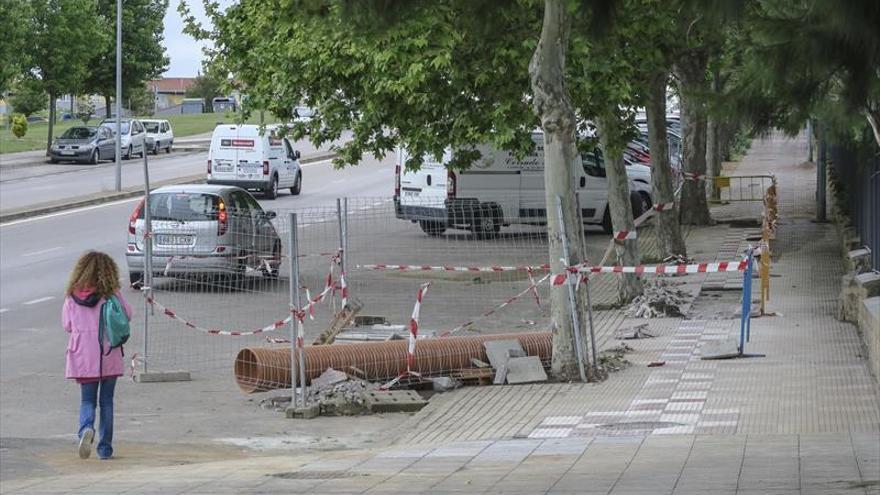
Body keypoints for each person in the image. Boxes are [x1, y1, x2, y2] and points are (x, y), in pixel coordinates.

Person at [62, 251, 132, 460]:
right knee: (107, 402)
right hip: (108, 352)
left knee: (87, 401)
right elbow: (127, 315)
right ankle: (105, 448)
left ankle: (85, 429)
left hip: (83, 354)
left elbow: (66, 324)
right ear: (109, 271)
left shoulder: (72, 296)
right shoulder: (111, 294)